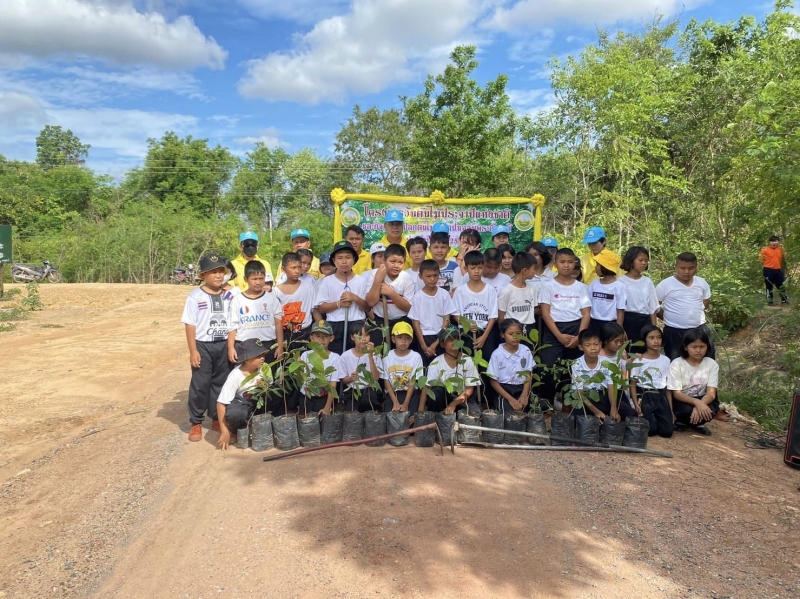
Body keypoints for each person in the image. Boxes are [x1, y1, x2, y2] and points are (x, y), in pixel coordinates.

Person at [181, 255, 235, 442]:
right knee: (200, 384)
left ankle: (216, 418)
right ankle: (196, 421)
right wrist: (193, 350)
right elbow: (190, 323)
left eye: (221, 271)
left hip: (223, 344)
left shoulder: (229, 295)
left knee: (220, 383)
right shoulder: (195, 296)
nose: (218, 275)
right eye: (213, 272)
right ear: (203, 275)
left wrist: (231, 346)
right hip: (203, 345)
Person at [538, 248, 591, 405]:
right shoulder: (548, 285)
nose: (566, 266)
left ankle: (569, 406)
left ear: (574, 264)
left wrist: (579, 337)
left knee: (573, 369)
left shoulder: (581, 287)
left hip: (576, 329)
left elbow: (586, 314)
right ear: (555, 264)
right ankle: (546, 404)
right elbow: (545, 313)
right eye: (562, 262)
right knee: (548, 368)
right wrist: (559, 336)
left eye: (570, 262)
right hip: (554, 330)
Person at [314, 241, 370, 353]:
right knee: (336, 356)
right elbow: (321, 307)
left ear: (354, 260)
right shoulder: (327, 281)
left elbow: (367, 307)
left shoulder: (361, 281)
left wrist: (354, 298)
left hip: (357, 324)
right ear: (334, 260)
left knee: (357, 357)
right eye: (339, 258)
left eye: (348, 257)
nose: (344, 261)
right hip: (335, 325)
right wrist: (339, 304)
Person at [656, 252, 713, 361]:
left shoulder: (702, 283)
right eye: (682, 268)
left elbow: (705, 302)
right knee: (675, 362)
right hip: (673, 331)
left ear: (696, 267)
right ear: (676, 267)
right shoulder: (665, 285)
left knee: (705, 362)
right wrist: (669, 317)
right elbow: (655, 306)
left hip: (699, 329)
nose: (686, 272)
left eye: (691, 268)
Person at [216, 338, 271, 450]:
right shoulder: (235, 375)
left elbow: (271, 388)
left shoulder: (265, 368)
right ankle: (236, 429)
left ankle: (264, 423)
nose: (262, 358)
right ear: (246, 359)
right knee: (235, 413)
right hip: (243, 404)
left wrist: (264, 386)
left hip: (259, 403)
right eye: (258, 356)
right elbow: (221, 403)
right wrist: (224, 431)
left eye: (263, 355)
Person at [227, 261, 284, 365]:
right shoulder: (237, 300)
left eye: (261, 278)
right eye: (254, 279)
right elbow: (232, 327)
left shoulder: (272, 299)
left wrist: (280, 346)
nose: (258, 282)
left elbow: (278, 324)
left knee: (268, 374)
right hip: (244, 346)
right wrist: (231, 348)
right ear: (245, 279)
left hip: (268, 345)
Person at [667, 327, 719, 436]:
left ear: (707, 347)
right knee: (686, 410)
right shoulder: (677, 364)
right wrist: (697, 403)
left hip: (701, 397)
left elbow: (711, 393)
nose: (698, 350)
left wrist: (701, 403)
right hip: (682, 399)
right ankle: (682, 421)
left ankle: (696, 423)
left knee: (710, 410)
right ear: (686, 347)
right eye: (694, 347)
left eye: (702, 346)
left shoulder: (711, 364)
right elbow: (677, 394)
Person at [420, 327, 481, 415]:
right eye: (450, 339)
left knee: (474, 413)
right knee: (436, 392)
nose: (454, 341)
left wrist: (453, 404)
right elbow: (427, 387)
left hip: (462, 396)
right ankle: (436, 417)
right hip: (445, 396)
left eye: (456, 338)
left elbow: (469, 389)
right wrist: (420, 411)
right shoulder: (436, 363)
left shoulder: (467, 360)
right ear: (442, 344)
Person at [408, 259, 457, 367]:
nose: (432, 279)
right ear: (421, 276)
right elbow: (416, 323)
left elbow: (446, 319)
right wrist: (423, 346)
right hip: (424, 337)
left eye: (435, 275)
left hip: (442, 336)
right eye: (428, 276)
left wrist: (438, 341)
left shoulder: (444, 294)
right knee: (427, 368)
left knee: (442, 367)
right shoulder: (418, 297)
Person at [366, 243, 415, 348]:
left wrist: (391, 293)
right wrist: (378, 280)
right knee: (379, 351)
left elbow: (408, 307)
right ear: (384, 260)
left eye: (400, 262)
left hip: (401, 320)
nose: (396, 266)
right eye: (392, 261)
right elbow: (370, 302)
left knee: (401, 351)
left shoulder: (407, 278)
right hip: (380, 321)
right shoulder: (375, 274)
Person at [451, 250, 498, 358]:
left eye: (480, 268)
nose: (476, 271)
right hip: (465, 333)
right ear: (466, 268)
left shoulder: (490, 290)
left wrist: (484, 337)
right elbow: (455, 314)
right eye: (473, 268)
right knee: (466, 362)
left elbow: (493, 316)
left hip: (485, 332)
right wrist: (467, 324)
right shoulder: (460, 291)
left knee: (485, 362)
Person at [629, 324, 674, 438]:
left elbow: (668, 387)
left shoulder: (666, 360)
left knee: (667, 431)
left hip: (660, 395)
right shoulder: (639, 360)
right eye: (651, 338)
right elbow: (633, 384)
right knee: (651, 430)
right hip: (645, 395)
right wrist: (636, 404)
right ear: (644, 340)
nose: (656, 341)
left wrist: (670, 409)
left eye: (659, 337)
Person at [487, 318, 533, 414]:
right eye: (511, 334)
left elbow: (528, 374)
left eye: (518, 333)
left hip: (521, 388)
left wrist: (524, 394)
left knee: (530, 410)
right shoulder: (497, 354)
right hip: (504, 390)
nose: (515, 337)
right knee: (509, 413)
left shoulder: (526, 350)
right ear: (502, 335)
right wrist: (510, 399)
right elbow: (493, 381)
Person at [570, 328, 617, 422]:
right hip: (586, 397)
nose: (593, 348)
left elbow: (611, 388)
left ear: (600, 344)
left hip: (604, 395)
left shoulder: (607, 363)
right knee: (578, 416)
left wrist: (613, 408)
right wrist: (596, 411)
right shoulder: (576, 364)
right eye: (588, 345)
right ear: (581, 347)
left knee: (629, 413)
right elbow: (579, 393)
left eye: (596, 344)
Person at [336, 322, 382, 413]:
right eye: (360, 335)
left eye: (367, 335)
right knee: (352, 413)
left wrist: (370, 355)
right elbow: (343, 379)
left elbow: (376, 378)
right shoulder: (345, 356)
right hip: (352, 391)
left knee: (370, 407)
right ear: (352, 337)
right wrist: (351, 378)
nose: (364, 339)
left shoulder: (375, 355)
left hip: (369, 390)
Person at [274, 252, 315, 351]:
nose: (297, 271)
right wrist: (279, 344)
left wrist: (321, 327)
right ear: (283, 269)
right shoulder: (275, 291)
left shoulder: (308, 287)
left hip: (305, 333)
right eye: (293, 268)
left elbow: (314, 309)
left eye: (299, 267)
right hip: (285, 335)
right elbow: (276, 319)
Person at [619, 246, 659, 349]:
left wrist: (653, 328)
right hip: (628, 321)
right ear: (631, 260)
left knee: (644, 351)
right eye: (640, 260)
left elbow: (652, 307)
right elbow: (619, 308)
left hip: (645, 321)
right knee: (628, 350)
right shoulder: (621, 282)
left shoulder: (647, 282)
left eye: (646, 261)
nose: (644, 263)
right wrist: (620, 327)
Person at [380, 322, 424, 415]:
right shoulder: (387, 357)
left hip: (410, 393)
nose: (403, 341)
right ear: (393, 339)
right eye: (400, 337)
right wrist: (395, 402)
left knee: (411, 418)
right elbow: (386, 381)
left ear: (411, 340)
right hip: (393, 393)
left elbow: (413, 381)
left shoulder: (416, 357)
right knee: (391, 417)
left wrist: (406, 404)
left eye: (407, 338)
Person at [298, 320, 340, 416]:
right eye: (317, 336)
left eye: (325, 336)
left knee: (323, 422)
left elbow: (333, 385)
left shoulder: (335, 358)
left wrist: (327, 408)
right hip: (306, 397)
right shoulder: (305, 355)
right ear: (311, 338)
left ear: (331, 338)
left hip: (323, 399)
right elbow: (300, 380)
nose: (321, 339)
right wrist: (298, 367)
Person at [498, 252, 539, 348]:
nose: (535, 272)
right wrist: (506, 332)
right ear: (525, 270)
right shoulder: (507, 291)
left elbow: (534, 309)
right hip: (512, 331)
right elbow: (501, 316)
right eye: (533, 269)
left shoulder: (532, 289)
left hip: (529, 329)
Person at [588, 249, 626, 331]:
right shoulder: (594, 284)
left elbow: (620, 309)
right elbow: (588, 306)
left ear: (605, 267)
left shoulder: (619, 286)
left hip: (610, 325)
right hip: (593, 323)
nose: (595, 267)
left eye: (598, 264)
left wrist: (619, 329)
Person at [760, 235, 788, 305]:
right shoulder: (765, 250)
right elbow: (761, 260)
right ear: (769, 242)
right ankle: (770, 300)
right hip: (768, 270)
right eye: (772, 241)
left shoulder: (780, 250)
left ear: (778, 242)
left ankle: (784, 300)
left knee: (781, 285)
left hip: (778, 270)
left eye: (775, 241)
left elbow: (783, 259)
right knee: (769, 285)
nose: (774, 243)